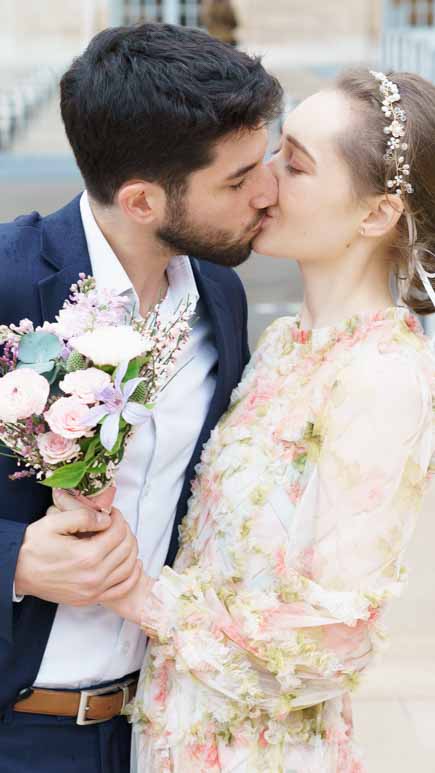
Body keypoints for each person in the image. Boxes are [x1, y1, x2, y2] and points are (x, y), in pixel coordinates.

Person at [98, 68, 435, 771]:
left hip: (258, 748)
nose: (264, 182)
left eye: (296, 165)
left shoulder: (381, 373)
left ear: (376, 214)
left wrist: (141, 595)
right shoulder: (286, 339)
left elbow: (333, 638)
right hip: (172, 723)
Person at [0, 23, 282, 773]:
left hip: (156, 729)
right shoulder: (7, 282)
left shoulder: (218, 295)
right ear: (143, 200)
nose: (267, 192)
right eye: (237, 178)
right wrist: (14, 560)